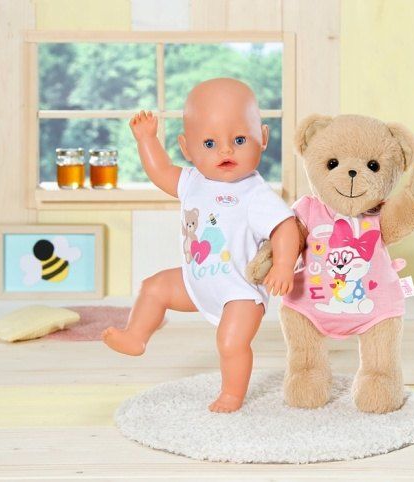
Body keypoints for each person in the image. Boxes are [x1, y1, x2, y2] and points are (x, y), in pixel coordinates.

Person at [102, 78, 300, 413]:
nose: (225, 151)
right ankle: (136, 336)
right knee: (154, 287)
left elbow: (285, 226)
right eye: (209, 143)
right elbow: (160, 171)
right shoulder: (192, 181)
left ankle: (232, 394)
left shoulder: (255, 194)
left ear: (262, 138)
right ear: (187, 148)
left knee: (230, 342)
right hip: (197, 282)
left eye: (239, 140)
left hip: (240, 292)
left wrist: (282, 265)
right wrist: (147, 140)